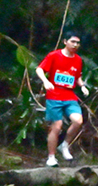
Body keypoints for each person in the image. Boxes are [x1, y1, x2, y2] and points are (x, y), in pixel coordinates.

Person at [36, 32, 89, 167]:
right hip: (54, 95)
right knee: (57, 126)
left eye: (77, 43)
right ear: (65, 41)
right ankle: (51, 157)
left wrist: (82, 86)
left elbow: (77, 76)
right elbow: (39, 69)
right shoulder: (54, 55)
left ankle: (64, 145)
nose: (75, 45)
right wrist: (45, 81)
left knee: (78, 121)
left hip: (69, 95)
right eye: (72, 42)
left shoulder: (78, 60)